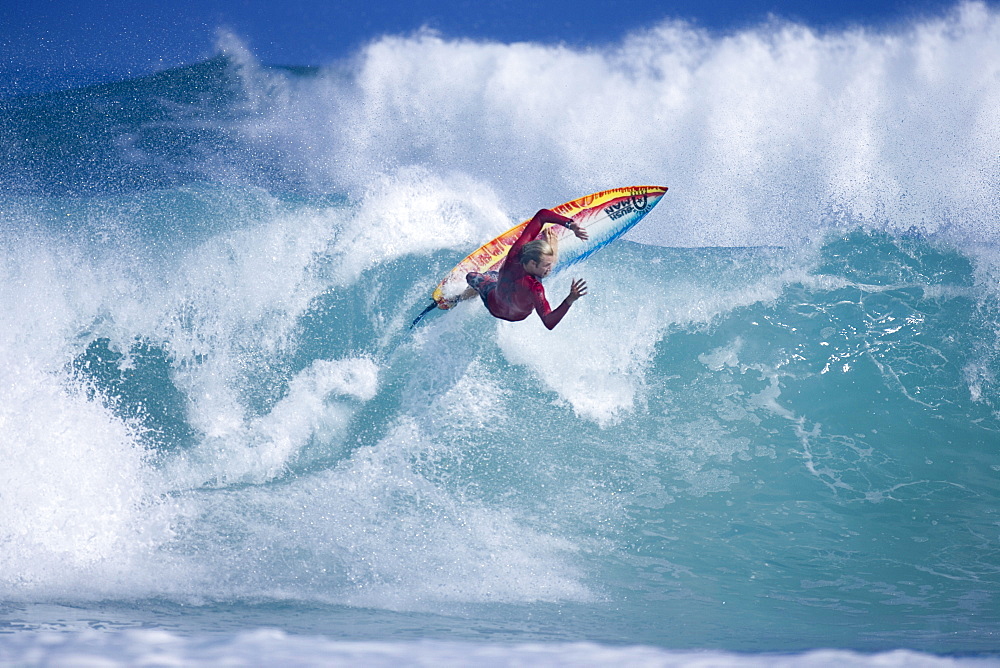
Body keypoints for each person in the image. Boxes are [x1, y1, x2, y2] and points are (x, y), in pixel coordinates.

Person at [465, 209, 589, 330]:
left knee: (474, 277)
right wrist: (570, 299)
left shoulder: (514, 254)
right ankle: (552, 251)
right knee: (542, 274)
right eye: (546, 265)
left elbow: (542, 216)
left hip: (493, 303)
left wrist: (570, 224)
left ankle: (459, 297)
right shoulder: (536, 288)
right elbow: (549, 322)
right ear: (532, 263)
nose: (548, 268)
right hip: (517, 315)